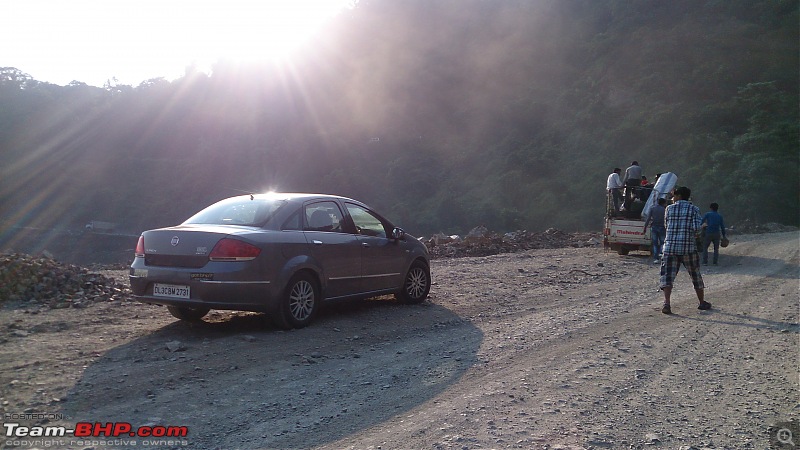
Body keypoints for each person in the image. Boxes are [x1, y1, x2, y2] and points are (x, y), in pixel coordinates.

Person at [659, 186, 711, 314]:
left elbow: (666, 226)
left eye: (673, 195)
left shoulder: (669, 209)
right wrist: (700, 231)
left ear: (679, 196)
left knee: (668, 276)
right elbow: (696, 229)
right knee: (695, 275)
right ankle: (701, 302)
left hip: (670, 247)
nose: (672, 198)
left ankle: (667, 303)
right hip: (688, 248)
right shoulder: (694, 209)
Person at [644, 197, 667, 264]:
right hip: (662, 227)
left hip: (654, 227)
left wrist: (645, 227)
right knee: (663, 242)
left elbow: (648, 218)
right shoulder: (665, 210)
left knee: (655, 243)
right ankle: (661, 254)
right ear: (663, 203)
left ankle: (656, 258)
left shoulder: (652, 208)